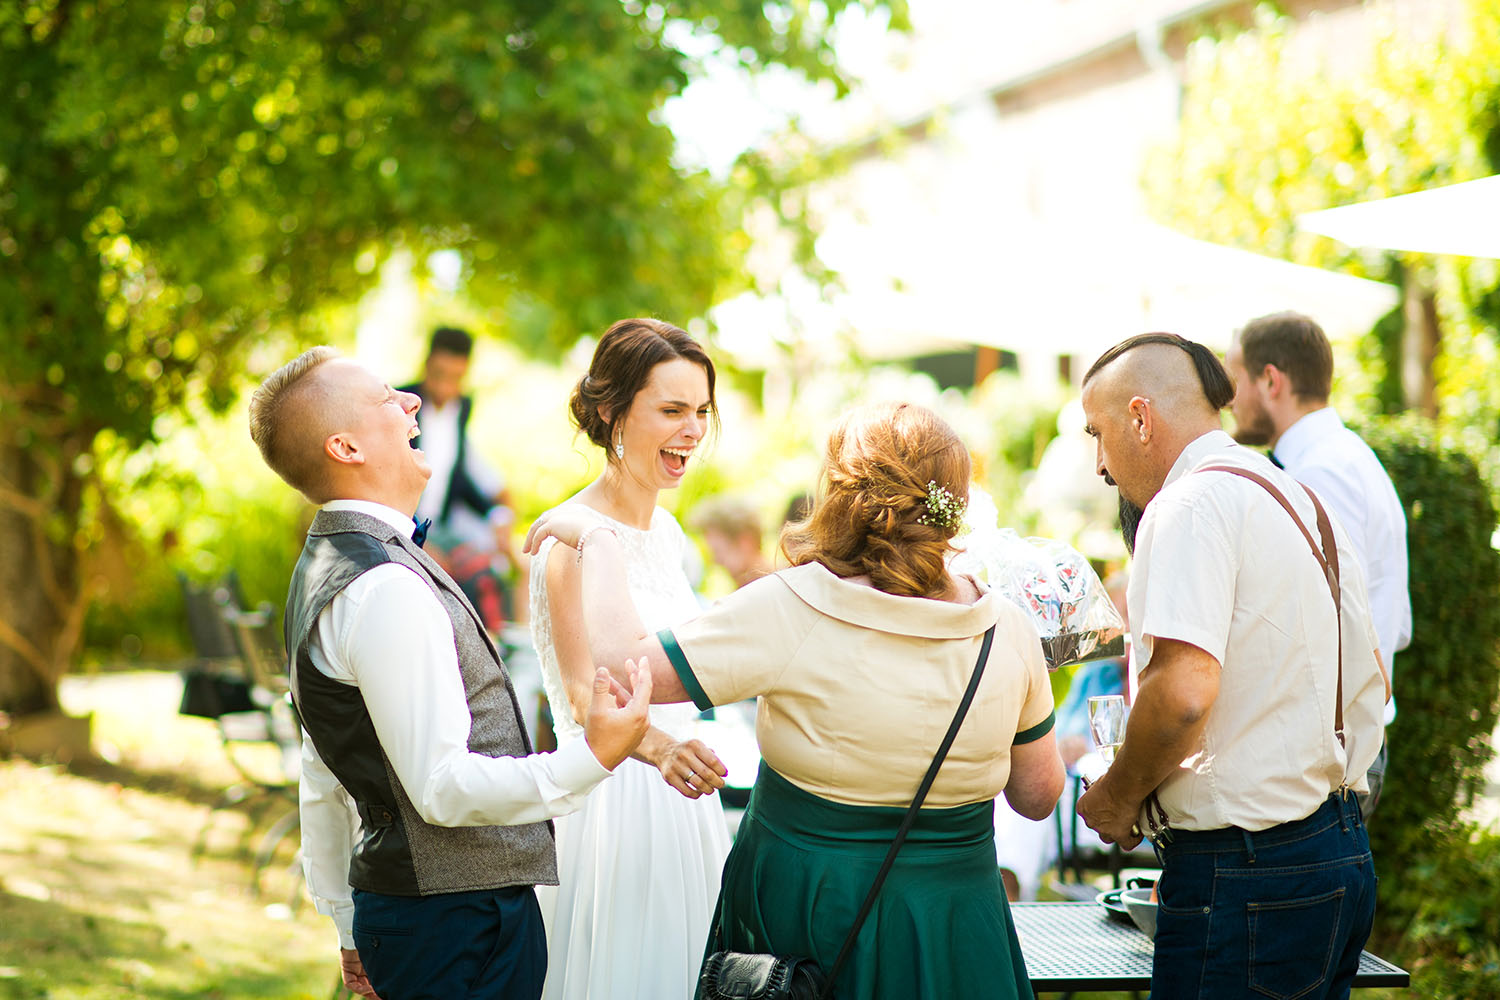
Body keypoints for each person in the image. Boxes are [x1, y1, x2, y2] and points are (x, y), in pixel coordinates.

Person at [528, 400, 1065, 1000]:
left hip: (811, 914)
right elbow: (1039, 796)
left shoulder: (797, 605)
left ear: (840, 493)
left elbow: (620, 671)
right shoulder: (1008, 627)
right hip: (957, 920)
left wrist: (601, 543)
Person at [247, 347, 653, 1000]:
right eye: (387, 397)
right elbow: (440, 786)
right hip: (457, 927)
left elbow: (322, 767)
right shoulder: (383, 586)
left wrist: (349, 925)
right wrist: (593, 757)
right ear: (345, 447)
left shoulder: (330, 564)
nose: (411, 402)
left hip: (424, 920)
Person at [1075, 333, 1390, 1000]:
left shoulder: (1189, 503)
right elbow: (1372, 674)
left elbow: (1184, 692)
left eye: (1097, 434)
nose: (1098, 465)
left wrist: (1119, 794)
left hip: (1248, 872)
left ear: (1140, 417)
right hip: (1337, 851)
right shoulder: (1298, 498)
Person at [527, 318, 732, 1000]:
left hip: (684, 803)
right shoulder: (567, 541)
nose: (693, 430)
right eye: (672, 410)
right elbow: (584, 697)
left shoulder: (668, 532)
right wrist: (664, 749)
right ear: (612, 411)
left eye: (701, 411)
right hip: (614, 808)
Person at [1225, 310, 1411, 816]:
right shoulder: (1344, 457)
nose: (1229, 399)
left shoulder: (1321, 474)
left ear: (1270, 380)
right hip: (1339, 743)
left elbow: (1333, 622)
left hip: (1330, 754)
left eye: (1234, 379)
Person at [399, 326, 520, 629]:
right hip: (407, 524)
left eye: (455, 378)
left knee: (494, 569)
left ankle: (500, 647)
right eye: (439, 374)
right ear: (426, 364)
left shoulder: (463, 407)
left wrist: (498, 515)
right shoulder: (401, 405)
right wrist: (417, 540)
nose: (445, 387)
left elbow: (458, 475)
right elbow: (387, 482)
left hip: (446, 523)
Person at [690, 496, 772, 590]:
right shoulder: (745, 590)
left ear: (745, 542)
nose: (716, 561)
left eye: (718, 551)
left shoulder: (769, 588)